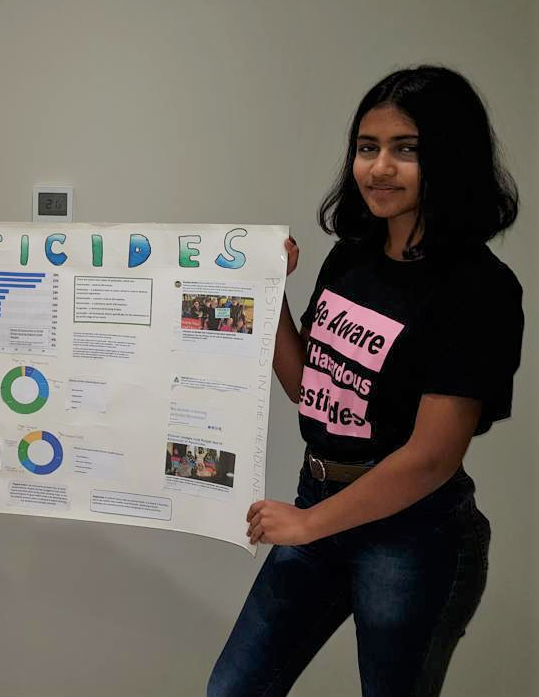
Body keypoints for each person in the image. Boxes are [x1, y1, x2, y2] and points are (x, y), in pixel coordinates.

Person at [208, 65, 523, 697]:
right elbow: (313, 390)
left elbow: (432, 459)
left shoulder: (478, 289)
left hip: (414, 531)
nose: (379, 168)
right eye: (366, 147)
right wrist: (267, 292)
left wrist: (302, 526)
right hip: (320, 498)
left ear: (450, 157)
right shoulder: (350, 253)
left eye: (406, 150)